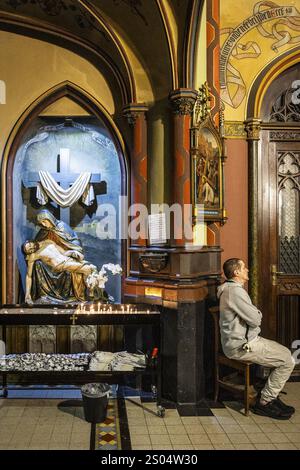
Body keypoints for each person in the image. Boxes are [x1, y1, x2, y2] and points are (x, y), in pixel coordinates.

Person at [217, 258, 295, 420]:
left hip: (245, 341)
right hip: (242, 346)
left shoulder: (232, 290)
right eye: (244, 267)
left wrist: (254, 315)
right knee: (288, 360)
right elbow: (256, 319)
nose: (247, 270)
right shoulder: (235, 292)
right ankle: (265, 401)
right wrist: (257, 313)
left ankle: (267, 394)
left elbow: (252, 318)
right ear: (236, 272)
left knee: (284, 353)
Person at [23, 239, 96, 304]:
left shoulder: (48, 241)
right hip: (61, 265)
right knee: (88, 269)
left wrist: (72, 253)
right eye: (30, 250)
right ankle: (90, 292)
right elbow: (28, 276)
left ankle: (90, 292)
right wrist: (27, 294)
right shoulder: (34, 255)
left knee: (91, 268)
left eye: (30, 245)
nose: (32, 248)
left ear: (30, 241)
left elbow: (63, 252)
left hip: (68, 259)